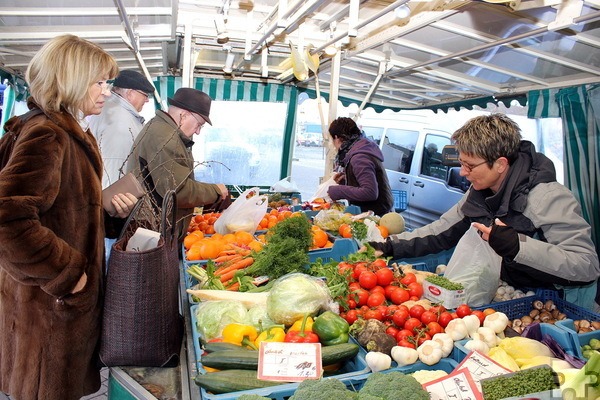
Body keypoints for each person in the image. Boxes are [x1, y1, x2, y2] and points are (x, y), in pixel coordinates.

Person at [0, 34, 138, 400]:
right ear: (72, 79)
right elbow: (8, 219)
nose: (107, 92)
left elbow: (63, 209)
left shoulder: (70, 131)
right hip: (47, 312)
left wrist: (106, 212)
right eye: (99, 82)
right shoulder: (47, 134)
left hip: (50, 309)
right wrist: (68, 274)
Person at [367, 113, 600, 310]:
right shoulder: (480, 191)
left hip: (561, 304)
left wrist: (518, 246)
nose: (462, 173)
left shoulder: (546, 197)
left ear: (500, 164)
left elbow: (586, 265)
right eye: (461, 164)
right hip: (512, 295)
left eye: (470, 166)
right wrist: (390, 245)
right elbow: (441, 230)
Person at [127, 87, 230, 241]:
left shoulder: (161, 129)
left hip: (153, 229)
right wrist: (215, 191)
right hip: (153, 233)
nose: (198, 132)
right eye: (199, 125)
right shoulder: (165, 137)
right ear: (183, 115)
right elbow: (178, 191)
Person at [88, 69, 155, 188]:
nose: (147, 100)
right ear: (130, 93)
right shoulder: (120, 121)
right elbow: (116, 167)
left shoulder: (111, 109)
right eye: (145, 95)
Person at [327, 117, 394, 216]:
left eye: (332, 139)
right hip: (374, 213)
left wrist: (339, 190)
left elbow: (370, 192)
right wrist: (346, 181)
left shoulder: (359, 157)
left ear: (337, 138)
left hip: (376, 217)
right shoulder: (360, 149)